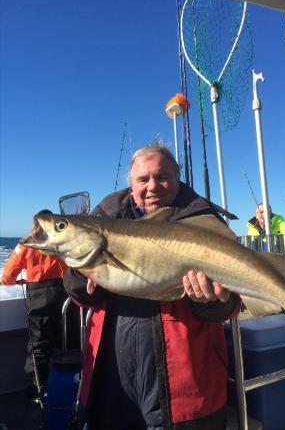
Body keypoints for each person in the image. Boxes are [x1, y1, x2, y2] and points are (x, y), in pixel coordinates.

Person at [64, 142, 241, 430]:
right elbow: (79, 296)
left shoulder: (203, 222)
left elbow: (232, 304)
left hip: (184, 386)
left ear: (177, 178)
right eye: (143, 179)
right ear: (131, 184)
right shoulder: (102, 221)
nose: (153, 187)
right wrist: (80, 275)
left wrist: (209, 301)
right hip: (110, 377)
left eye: (162, 177)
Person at [1, 209, 74, 399]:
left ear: (34, 226)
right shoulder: (63, 242)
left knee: (39, 343)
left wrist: (10, 282)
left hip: (38, 294)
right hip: (65, 293)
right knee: (66, 340)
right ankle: (68, 387)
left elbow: (8, 275)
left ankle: (38, 389)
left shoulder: (27, 243)